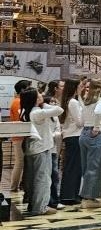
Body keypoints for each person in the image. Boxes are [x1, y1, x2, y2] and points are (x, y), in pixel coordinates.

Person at [20, 87, 63, 215]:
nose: (42, 96)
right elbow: (59, 110)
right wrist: (44, 104)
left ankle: (34, 205)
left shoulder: (26, 111)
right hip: (41, 149)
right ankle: (40, 207)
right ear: (34, 99)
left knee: (34, 179)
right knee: (43, 179)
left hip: (33, 149)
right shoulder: (37, 112)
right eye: (39, 95)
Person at [78, 80, 101, 209]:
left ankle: (86, 195)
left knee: (86, 167)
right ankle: (89, 197)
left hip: (84, 132)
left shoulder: (85, 100)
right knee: (95, 167)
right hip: (94, 133)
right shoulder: (100, 100)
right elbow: (97, 112)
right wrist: (96, 127)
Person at [58, 79, 83, 205]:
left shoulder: (70, 101)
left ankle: (71, 194)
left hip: (71, 136)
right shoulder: (73, 102)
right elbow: (79, 122)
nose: (81, 88)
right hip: (74, 136)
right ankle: (69, 195)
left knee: (72, 166)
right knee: (73, 166)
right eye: (80, 86)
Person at [8, 80, 31, 192]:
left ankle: (17, 186)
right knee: (19, 163)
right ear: (22, 90)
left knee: (20, 162)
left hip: (20, 136)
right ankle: (14, 187)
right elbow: (21, 119)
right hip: (19, 136)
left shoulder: (19, 101)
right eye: (28, 87)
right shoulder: (18, 102)